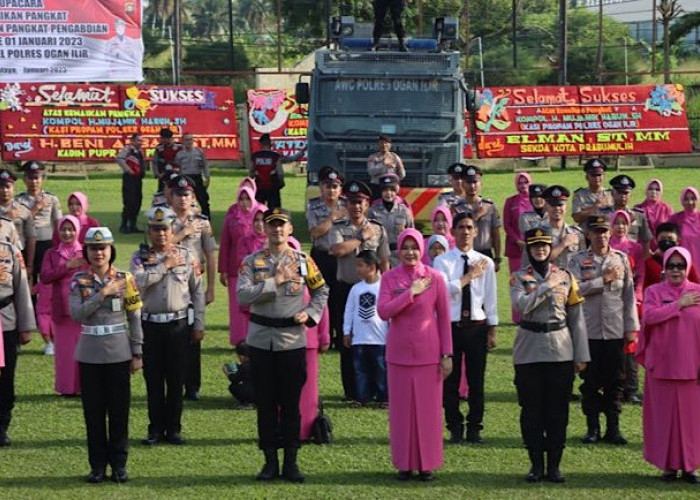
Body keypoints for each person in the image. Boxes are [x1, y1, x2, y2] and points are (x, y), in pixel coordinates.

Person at [237, 207, 328, 483]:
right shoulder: (252, 262)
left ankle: (291, 461)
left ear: (290, 230)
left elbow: (322, 290)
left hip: (291, 341)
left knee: (290, 405)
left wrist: (311, 314)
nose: (277, 230)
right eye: (272, 225)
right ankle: (269, 462)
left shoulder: (304, 262)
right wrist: (274, 281)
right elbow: (242, 295)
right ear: (264, 229)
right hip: (262, 340)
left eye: (282, 225)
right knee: (265, 404)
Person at [510, 227, 590, 483]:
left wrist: (581, 354)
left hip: (560, 349)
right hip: (529, 351)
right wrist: (545, 286)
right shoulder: (518, 277)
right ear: (529, 250)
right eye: (535, 247)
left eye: (544, 246)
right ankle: (535, 465)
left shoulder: (566, 277)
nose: (540, 250)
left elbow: (576, 318)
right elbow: (521, 306)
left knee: (557, 411)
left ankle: (554, 465)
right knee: (531, 411)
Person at [68, 227, 143, 484]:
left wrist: (137, 351)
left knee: (119, 412)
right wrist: (102, 294)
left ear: (111, 250)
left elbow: (134, 317)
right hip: (90, 353)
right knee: (94, 413)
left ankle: (119, 465)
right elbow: (76, 314)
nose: (99, 253)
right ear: (87, 252)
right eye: (93, 248)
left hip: (118, 351)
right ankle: (97, 466)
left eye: (103, 248)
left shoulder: (126, 278)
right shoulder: (79, 280)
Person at [378, 228, 452, 481]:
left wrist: (447, 353)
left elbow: (443, 317)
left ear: (422, 250)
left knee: (428, 411)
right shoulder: (389, 278)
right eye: (405, 247)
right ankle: (404, 463)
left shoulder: (436, 278)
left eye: (414, 247)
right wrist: (411, 293)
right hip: (398, 354)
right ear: (399, 250)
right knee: (401, 412)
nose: (410, 252)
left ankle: (427, 463)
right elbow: (384, 311)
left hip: (428, 353)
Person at [131, 206, 205, 446]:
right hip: (150, 325)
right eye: (155, 229)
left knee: (176, 380)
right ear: (149, 231)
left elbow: (197, 291)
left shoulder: (187, 255)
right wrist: (164, 267)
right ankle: (155, 429)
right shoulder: (140, 257)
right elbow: (137, 284)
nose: (161, 234)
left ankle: (174, 429)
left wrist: (199, 324)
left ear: (172, 229)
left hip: (179, 325)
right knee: (153, 380)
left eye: (164, 229)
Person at [567, 215, 639, 446]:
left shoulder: (621, 259)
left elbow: (628, 295)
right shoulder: (577, 260)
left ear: (610, 234)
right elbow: (574, 291)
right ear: (588, 234)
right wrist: (603, 280)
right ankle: (592, 428)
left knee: (615, 381)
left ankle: (613, 428)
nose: (601, 236)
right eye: (596, 231)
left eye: (604, 231)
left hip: (615, 330)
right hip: (588, 332)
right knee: (590, 382)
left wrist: (631, 328)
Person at [637, 247, 700, 484]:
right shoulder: (654, 291)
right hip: (662, 366)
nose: (675, 270)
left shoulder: (699, 292)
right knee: (665, 420)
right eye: (671, 265)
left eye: (680, 265)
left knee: (692, 422)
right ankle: (669, 466)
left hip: (692, 368)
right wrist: (678, 305)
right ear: (664, 267)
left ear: (688, 267)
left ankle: (691, 467)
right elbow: (649, 317)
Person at [434, 212, 498, 444]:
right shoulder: (443, 261)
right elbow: (442, 292)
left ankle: (475, 427)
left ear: (476, 231)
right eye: (460, 227)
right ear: (453, 231)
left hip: (477, 326)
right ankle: (454, 426)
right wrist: (469, 276)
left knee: (476, 380)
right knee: (450, 380)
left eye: (469, 227)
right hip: (452, 325)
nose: (465, 231)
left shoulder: (485, 262)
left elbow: (490, 298)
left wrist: (493, 329)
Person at [330, 180, 390, 402]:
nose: (356, 207)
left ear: (367, 204)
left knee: (376, 340)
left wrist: (387, 288)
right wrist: (360, 238)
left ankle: (377, 390)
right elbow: (337, 250)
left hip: (374, 291)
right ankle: (353, 391)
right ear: (346, 204)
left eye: (361, 202)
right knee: (348, 341)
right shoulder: (340, 227)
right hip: (346, 290)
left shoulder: (378, 228)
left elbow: (384, 260)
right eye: (352, 202)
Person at [169, 176, 216, 401]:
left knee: (195, 334)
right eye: (178, 194)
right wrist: (183, 232)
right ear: (171, 196)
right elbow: (157, 247)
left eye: (186, 194)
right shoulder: (163, 221)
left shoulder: (203, 222)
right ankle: (175, 382)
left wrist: (211, 288)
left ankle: (192, 385)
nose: (183, 199)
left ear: (193, 197)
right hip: (170, 284)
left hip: (194, 284)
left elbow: (210, 252)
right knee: (173, 335)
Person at [286, 236, 331, 441]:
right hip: (283, 342)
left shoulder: (311, 286)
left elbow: (323, 308)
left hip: (309, 343)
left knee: (308, 389)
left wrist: (324, 336)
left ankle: (306, 429)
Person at [40, 216, 89, 396]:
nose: (67, 233)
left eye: (71, 229)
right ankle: (67, 388)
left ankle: (85, 386)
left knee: (84, 350)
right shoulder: (51, 253)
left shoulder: (85, 252)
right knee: (65, 354)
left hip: (83, 309)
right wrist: (67, 266)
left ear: (77, 231)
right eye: (63, 229)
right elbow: (45, 276)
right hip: (61, 311)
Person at [0, 237, 36, 447]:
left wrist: (25, 326)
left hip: (5, 321)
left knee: (5, 379)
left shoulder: (9, 251)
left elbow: (21, 287)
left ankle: (2, 425)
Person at [343, 250, 389, 407]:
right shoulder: (356, 289)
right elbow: (349, 311)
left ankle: (384, 398)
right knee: (360, 370)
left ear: (371, 267)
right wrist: (346, 331)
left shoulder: (385, 286)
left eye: (360, 265)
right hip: (360, 338)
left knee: (381, 370)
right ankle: (361, 397)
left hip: (380, 338)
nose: (357, 269)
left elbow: (390, 311)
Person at [307, 166, 346, 349]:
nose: (331, 190)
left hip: (342, 258)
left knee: (341, 297)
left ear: (340, 189)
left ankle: (340, 335)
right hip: (321, 256)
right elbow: (315, 233)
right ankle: (325, 335)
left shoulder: (348, 205)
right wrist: (332, 218)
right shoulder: (313, 206)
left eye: (335, 187)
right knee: (322, 296)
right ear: (321, 188)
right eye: (327, 186)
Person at [219, 184, 262, 346]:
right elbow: (225, 244)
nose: (244, 203)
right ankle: (239, 339)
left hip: (260, 271)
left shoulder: (261, 214)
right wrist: (222, 269)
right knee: (238, 306)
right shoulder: (232, 218)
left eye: (247, 199)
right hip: (235, 268)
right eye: (241, 199)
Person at [17, 161, 62, 286]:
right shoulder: (18, 200)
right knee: (28, 280)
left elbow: (58, 224)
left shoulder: (51, 199)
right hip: (25, 244)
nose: (34, 182)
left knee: (47, 281)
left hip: (46, 244)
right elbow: (18, 223)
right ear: (24, 179)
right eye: (30, 178)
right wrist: (37, 207)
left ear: (42, 179)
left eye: (37, 178)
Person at [451, 166, 503, 270]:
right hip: (464, 254)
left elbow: (495, 234)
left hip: (485, 253)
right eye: (469, 183)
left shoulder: (489, 206)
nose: (472, 186)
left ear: (481, 184)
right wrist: (477, 215)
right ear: (463, 184)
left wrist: (497, 258)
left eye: (475, 182)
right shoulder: (456, 208)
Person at [368, 173, 414, 266]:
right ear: (381, 192)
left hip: (399, 257)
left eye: (392, 190)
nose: (389, 193)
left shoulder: (404, 211)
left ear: (396, 191)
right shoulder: (373, 211)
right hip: (379, 256)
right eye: (385, 190)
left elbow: (411, 233)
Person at [249, 134, 303, 209]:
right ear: (270, 144)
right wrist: (281, 182)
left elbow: (251, 172)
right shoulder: (275, 156)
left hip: (259, 187)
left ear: (260, 144)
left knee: (258, 210)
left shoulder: (255, 156)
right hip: (273, 187)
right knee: (274, 211)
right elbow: (280, 173)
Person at [643, 222, 700, 288]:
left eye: (670, 238)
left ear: (678, 240)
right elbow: (645, 288)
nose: (666, 241)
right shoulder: (648, 263)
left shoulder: (685, 262)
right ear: (656, 240)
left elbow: (696, 286)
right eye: (662, 238)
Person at [541, 186, 585, 269]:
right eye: (553, 205)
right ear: (546, 207)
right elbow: (540, 261)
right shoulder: (539, 233)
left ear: (566, 207)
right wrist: (563, 244)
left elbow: (584, 261)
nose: (557, 208)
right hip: (548, 279)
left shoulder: (576, 232)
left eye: (560, 205)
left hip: (572, 279)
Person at [609, 175, 652, 258]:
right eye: (619, 192)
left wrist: (644, 259)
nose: (623, 196)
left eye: (626, 193)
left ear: (630, 194)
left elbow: (646, 239)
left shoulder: (638, 215)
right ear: (612, 193)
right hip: (610, 256)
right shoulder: (602, 214)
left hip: (632, 256)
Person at [0, 169, 35, 269]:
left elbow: (31, 238)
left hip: (18, 254)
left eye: (8, 187)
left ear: (14, 189)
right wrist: (6, 217)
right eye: (1, 187)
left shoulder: (23, 210)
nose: (5, 190)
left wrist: (29, 264)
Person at [174, 133, 211, 219]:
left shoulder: (199, 152)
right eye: (186, 140)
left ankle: (206, 217)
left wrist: (207, 177)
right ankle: (185, 217)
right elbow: (176, 167)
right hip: (185, 178)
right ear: (182, 141)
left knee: (203, 198)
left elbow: (205, 165)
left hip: (197, 177)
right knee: (185, 198)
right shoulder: (179, 154)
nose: (189, 141)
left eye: (190, 139)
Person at [503, 172, 533, 274]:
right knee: (517, 280)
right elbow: (507, 225)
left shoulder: (537, 200)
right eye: (520, 183)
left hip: (534, 247)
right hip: (516, 248)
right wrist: (518, 241)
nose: (523, 185)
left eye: (526, 182)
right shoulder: (510, 201)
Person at [116, 133, 146, 233]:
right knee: (129, 201)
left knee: (137, 201)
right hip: (129, 179)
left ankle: (133, 225)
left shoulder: (140, 151)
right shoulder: (127, 149)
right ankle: (124, 225)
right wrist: (128, 169)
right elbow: (119, 159)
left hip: (138, 179)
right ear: (132, 141)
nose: (140, 142)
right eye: (138, 140)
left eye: (141, 140)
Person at [571, 158, 613, 227]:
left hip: (605, 232)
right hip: (585, 232)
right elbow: (576, 218)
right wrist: (595, 207)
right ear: (587, 177)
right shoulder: (579, 195)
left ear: (604, 176)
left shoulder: (611, 194)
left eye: (599, 175)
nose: (597, 178)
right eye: (593, 175)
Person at [634, 179, 673, 252]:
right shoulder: (638, 208)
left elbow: (672, 232)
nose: (654, 192)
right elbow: (634, 233)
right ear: (646, 191)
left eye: (657, 189)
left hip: (663, 249)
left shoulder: (667, 209)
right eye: (650, 189)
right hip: (643, 250)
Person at [669, 187, 700, 268]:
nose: (690, 202)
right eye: (686, 199)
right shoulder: (675, 219)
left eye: (693, 198)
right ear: (682, 200)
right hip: (682, 262)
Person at [224, 341, 255, 409]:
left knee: (233, 387)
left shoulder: (245, 367)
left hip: (252, 393)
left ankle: (247, 403)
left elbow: (235, 379)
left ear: (242, 356)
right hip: (267, 393)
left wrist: (229, 373)